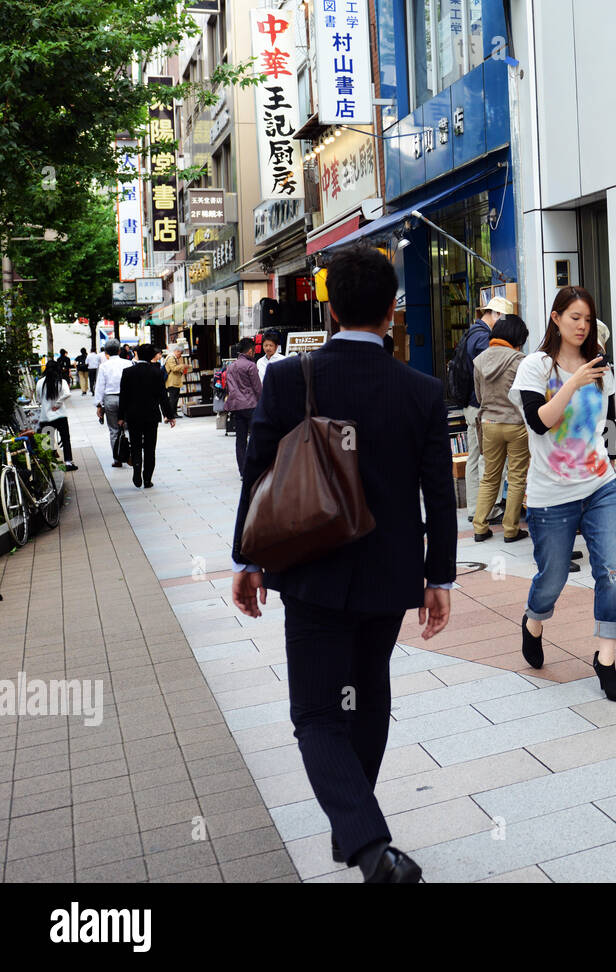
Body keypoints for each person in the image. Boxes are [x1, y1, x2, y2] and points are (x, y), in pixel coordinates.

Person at [229, 245, 457, 883]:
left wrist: (246, 558)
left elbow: (259, 476)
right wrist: (438, 578)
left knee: (316, 714)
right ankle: (362, 835)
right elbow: (438, 495)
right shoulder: (421, 391)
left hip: (307, 569)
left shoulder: (288, 379)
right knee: (367, 693)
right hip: (388, 576)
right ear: (392, 311)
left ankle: (366, 843)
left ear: (329, 306)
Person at [509, 286, 616, 701]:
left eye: (588, 318)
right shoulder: (535, 366)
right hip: (551, 495)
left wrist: (613, 467)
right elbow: (539, 422)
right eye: (574, 317)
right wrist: (573, 382)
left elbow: (601, 427)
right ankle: (534, 621)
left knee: (611, 572)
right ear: (556, 318)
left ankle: (607, 658)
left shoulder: (602, 368)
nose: (582, 325)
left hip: (600, 486)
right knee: (553, 577)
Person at [472, 313, 530, 543]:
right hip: (516, 424)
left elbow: (478, 395)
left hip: (489, 424)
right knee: (516, 478)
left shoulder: (480, 361)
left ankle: (479, 526)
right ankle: (510, 529)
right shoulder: (520, 361)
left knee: (489, 477)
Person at [462, 296, 512, 526]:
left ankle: (475, 508)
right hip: (480, 406)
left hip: (469, 404)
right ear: (496, 315)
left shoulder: (470, 333)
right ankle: (487, 510)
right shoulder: (483, 338)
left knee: (474, 458)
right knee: (487, 460)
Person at [117, 344, 176, 489]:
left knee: (136, 445)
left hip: (133, 415)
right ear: (151, 356)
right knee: (150, 447)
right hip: (151, 415)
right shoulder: (156, 372)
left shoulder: (127, 372)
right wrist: (169, 415)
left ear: (137, 354)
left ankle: (137, 471)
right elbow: (163, 396)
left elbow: (123, 396)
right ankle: (147, 478)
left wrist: (121, 416)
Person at [224, 338, 263, 476]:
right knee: (256, 437)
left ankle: (243, 470)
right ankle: (256, 467)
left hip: (236, 407)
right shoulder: (250, 366)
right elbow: (258, 388)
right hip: (251, 405)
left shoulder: (231, 366)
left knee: (240, 440)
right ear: (251, 350)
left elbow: (229, 388)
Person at [93, 340, 131, 468]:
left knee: (114, 430)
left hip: (110, 399)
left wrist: (99, 405)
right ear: (119, 351)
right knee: (128, 428)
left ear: (106, 353)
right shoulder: (128, 363)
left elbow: (100, 386)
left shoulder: (104, 366)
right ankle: (130, 455)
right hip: (126, 398)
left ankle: (117, 459)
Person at [36, 359, 77, 470]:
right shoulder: (61, 381)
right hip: (60, 416)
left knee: (47, 441)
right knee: (65, 439)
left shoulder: (40, 383)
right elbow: (67, 394)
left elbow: (38, 399)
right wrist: (58, 404)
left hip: (45, 416)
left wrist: (47, 405)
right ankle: (68, 462)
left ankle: (49, 463)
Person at [163, 344, 186, 419]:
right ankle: (171, 414)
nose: (180, 355)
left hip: (175, 381)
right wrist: (182, 365)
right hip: (172, 382)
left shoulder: (174, 357)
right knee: (173, 398)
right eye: (180, 353)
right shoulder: (171, 358)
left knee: (175, 398)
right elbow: (174, 368)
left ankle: (174, 413)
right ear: (177, 351)